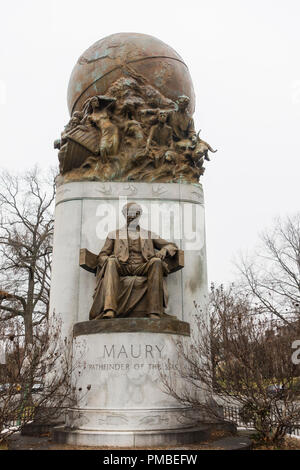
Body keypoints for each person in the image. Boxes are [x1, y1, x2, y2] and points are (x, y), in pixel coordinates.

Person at [89, 202, 178, 320]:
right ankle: (109, 309)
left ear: (139, 214)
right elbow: (102, 255)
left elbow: (172, 246)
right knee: (111, 262)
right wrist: (108, 259)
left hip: (143, 266)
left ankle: (154, 312)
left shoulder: (149, 234)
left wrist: (164, 251)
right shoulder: (114, 234)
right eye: (128, 214)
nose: (131, 216)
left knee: (156, 262)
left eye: (134, 214)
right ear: (124, 215)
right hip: (122, 266)